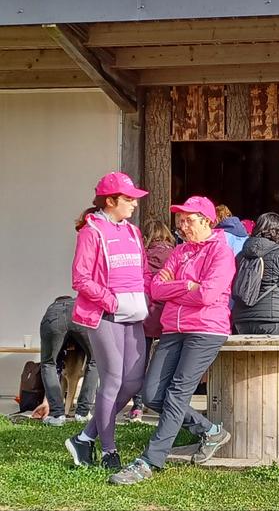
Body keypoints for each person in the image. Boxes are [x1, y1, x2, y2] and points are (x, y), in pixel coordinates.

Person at [109, 196, 237, 485]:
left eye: (189, 219)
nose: (182, 225)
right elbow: (156, 289)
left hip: (206, 329)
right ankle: (211, 431)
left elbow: (206, 295)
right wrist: (186, 286)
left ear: (207, 221)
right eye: (180, 219)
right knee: (153, 393)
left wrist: (177, 289)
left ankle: (149, 460)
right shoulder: (179, 253)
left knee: (178, 392)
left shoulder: (221, 253)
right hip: (173, 328)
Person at [65, 172, 150, 471]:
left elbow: (143, 273)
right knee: (113, 379)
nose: (134, 205)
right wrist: (111, 301)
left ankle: (85, 438)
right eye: (128, 199)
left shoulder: (133, 232)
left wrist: (146, 295)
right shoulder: (91, 232)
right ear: (110, 201)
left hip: (133, 314)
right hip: (104, 314)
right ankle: (109, 451)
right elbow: (81, 278)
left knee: (133, 382)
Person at [127, 219, 176, 422]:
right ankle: (163, 403)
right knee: (167, 363)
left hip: (146, 315)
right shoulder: (176, 255)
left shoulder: (142, 257)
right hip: (169, 316)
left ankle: (137, 407)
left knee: (140, 362)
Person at [231, 212, 279, 335]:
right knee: (275, 355)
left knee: (246, 355)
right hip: (274, 318)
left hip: (242, 319)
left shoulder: (240, 256)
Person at [38, 295, 98, 426]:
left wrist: (46, 402)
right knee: (95, 361)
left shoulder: (53, 308)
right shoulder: (76, 303)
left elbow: (54, 366)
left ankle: (57, 416)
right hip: (80, 313)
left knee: (48, 363)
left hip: (54, 319)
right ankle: (83, 413)